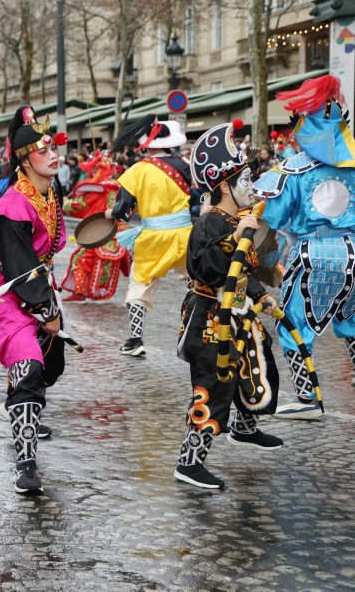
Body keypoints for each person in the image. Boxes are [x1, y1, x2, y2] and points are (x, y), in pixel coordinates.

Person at [175, 120, 282, 489]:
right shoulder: (210, 223)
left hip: (237, 313)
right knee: (214, 383)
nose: (251, 186)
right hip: (210, 318)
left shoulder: (238, 219)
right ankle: (189, 462)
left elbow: (242, 270)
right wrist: (234, 237)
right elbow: (207, 266)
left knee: (257, 363)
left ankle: (245, 427)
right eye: (245, 180)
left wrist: (260, 294)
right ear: (224, 186)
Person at [0, 107, 68, 495]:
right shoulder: (14, 205)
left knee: (50, 366)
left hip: (40, 285)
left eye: (53, 149)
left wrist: (49, 305)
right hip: (11, 293)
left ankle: (19, 396)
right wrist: (46, 310)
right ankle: (26, 464)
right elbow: (19, 264)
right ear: (24, 160)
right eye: (43, 151)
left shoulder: (51, 192)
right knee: (28, 367)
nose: (53, 155)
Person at [254, 75, 355, 419]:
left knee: (292, 326)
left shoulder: (293, 170)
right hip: (354, 253)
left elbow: (268, 221)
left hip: (316, 256)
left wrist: (269, 264)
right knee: (352, 322)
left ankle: (307, 398)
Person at [108, 116, 192, 357]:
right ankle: (206, 328)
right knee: (196, 280)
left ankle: (135, 340)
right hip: (185, 234)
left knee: (140, 286)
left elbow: (122, 211)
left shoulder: (137, 170)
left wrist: (110, 213)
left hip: (153, 238)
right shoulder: (186, 165)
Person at [61, 151, 130, 302]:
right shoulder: (121, 188)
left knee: (80, 259)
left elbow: (78, 206)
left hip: (97, 233)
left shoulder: (96, 189)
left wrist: (66, 203)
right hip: (116, 233)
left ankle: (80, 292)